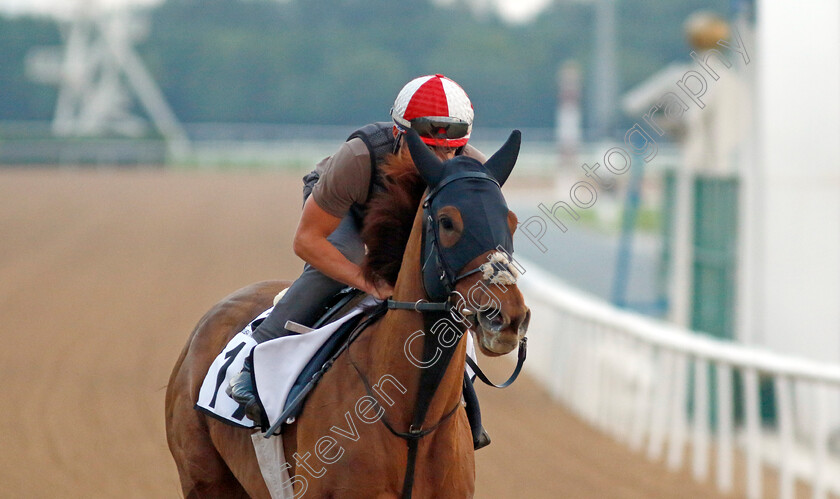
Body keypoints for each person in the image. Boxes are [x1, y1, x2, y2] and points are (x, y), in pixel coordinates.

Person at [228, 74, 491, 448]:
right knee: (346, 257)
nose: (440, 161)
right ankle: (255, 359)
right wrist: (368, 282)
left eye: (450, 151)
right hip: (350, 206)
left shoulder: (471, 166)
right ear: (401, 135)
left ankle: (465, 402)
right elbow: (307, 241)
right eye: (427, 150)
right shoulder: (359, 156)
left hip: (412, 214)